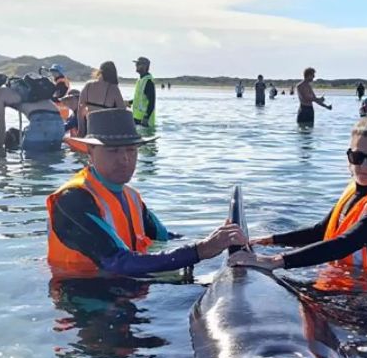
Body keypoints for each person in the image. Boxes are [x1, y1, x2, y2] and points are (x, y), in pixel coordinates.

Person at [47, 108, 246, 278]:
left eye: (131, 150)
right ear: (90, 151)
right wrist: (200, 250)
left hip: (129, 289)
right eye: (113, 151)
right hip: (82, 298)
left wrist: (219, 240)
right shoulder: (72, 199)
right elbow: (117, 262)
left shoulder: (131, 196)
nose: (124, 159)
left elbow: (164, 237)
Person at [229, 118, 367, 292]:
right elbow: (321, 231)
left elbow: (344, 243)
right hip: (344, 279)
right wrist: (271, 240)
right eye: (357, 156)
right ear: (349, 156)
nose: (364, 166)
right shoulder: (357, 189)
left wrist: (274, 261)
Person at [0, 73, 65, 152]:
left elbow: (0, 127)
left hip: (41, 123)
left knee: (33, 163)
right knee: (54, 159)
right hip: (59, 122)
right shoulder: (26, 87)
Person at [78, 61, 126, 137]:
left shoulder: (88, 85)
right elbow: (123, 112)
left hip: (90, 130)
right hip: (106, 132)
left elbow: (80, 110)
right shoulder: (113, 89)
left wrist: (81, 129)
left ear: (99, 71)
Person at [130, 57, 156, 127]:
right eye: (136, 64)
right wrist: (129, 102)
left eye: (138, 64)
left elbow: (152, 102)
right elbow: (140, 98)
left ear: (145, 66)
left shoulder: (148, 81)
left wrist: (146, 118)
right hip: (137, 118)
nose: (136, 65)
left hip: (145, 122)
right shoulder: (140, 80)